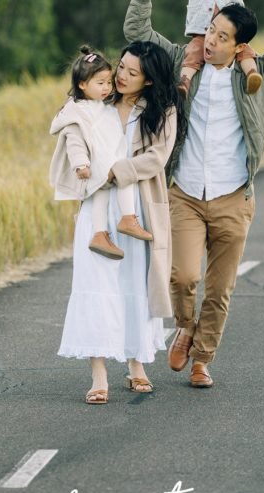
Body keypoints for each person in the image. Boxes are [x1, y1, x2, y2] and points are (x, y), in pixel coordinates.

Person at [124, 0, 264, 389]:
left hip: (233, 196)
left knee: (220, 289)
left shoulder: (259, 72)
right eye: (210, 30)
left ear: (240, 45)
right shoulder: (179, 64)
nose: (210, 41)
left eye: (222, 36)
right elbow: (137, 33)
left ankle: (202, 359)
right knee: (184, 276)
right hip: (186, 192)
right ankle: (185, 328)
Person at [50, 40, 185, 404]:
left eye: (130, 72)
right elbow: (70, 132)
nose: (120, 76)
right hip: (97, 205)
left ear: (150, 80)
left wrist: (114, 171)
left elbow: (157, 157)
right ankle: (98, 373)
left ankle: (136, 364)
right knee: (96, 284)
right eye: (120, 67)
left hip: (136, 208)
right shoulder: (97, 100)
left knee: (134, 286)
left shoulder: (162, 110)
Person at [49, 46, 153, 262]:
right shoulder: (77, 111)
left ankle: (100, 234)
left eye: (108, 81)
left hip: (105, 162)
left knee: (102, 196)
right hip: (97, 164)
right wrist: (81, 165)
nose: (107, 87)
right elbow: (74, 141)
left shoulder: (100, 104)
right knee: (124, 178)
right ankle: (128, 218)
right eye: (100, 83)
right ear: (82, 84)